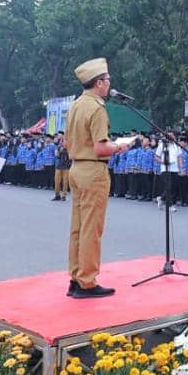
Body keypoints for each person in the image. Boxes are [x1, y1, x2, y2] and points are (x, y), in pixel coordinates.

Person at [64, 58, 130, 299]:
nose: (109, 83)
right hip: (93, 169)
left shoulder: (76, 105)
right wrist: (120, 147)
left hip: (76, 168)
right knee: (92, 228)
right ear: (100, 82)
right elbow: (101, 147)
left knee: (78, 228)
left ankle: (76, 277)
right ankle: (87, 281)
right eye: (108, 79)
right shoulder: (97, 108)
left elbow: (66, 141)